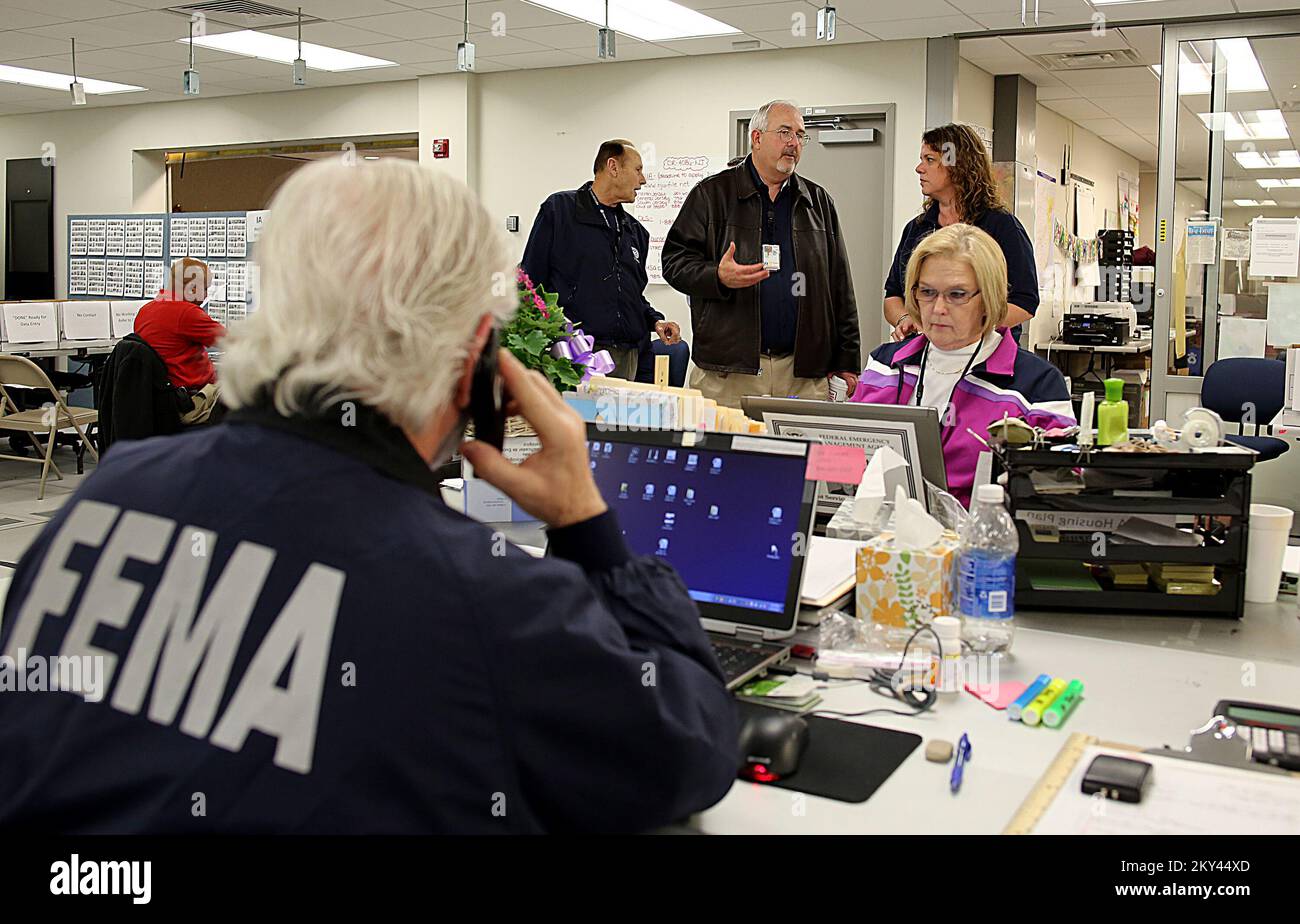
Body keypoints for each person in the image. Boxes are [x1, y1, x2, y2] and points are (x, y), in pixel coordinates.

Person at [0, 159, 737, 834]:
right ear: (476, 353)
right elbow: (689, 748)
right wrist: (587, 525)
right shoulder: (478, 599)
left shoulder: (103, 501)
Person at [852, 223, 1074, 506]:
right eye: (928, 292)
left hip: (980, 541)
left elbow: (1058, 490)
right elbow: (845, 459)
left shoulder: (1036, 384)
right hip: (879, 536)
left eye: (957, 294)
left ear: (989, 297)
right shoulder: (884, 365)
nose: (938, 308)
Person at [661, 100, 860, 408]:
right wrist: (717, 276)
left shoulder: (818, 202)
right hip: (729, 373)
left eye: (800, 135)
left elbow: (840, 286)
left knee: (797, 457)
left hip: (803, 374)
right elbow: (674, 263)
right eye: (784, 132)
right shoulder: (711, 195)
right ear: (756, 138)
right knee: (726, 455)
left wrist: (847, 359)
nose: (794, 143)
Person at [521, 139, 680, 380]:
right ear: (613, 167)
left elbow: (631, 295)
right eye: (638, 170)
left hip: (627, 358)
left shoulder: (635, 232)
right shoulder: (560, 211)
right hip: (574, 354)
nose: (643, 180)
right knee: (576, 420)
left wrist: (655, 321)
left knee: (618, 420)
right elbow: (530, 282)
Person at [885, 124, 1039, 345]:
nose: (919, 168)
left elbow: (1025, 302)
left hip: (983, 359)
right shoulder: (916, 229)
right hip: (923, 357)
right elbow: (892, 295)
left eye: (929, 160)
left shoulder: (1002, 227)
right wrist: (906, 318)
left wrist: (967, 328)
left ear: (956, 166)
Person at [133, 257, 226, 425]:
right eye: (204, 289)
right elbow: (233, 342)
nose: (205, 295)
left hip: (161, 403)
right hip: (191, 404)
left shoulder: (145, 311)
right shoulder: (187, 313)